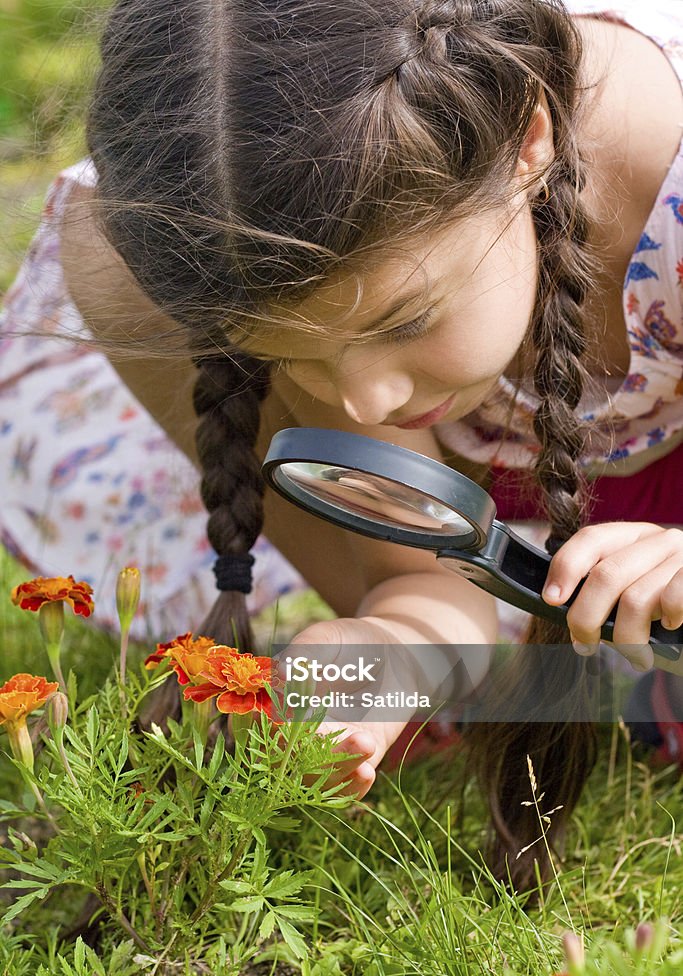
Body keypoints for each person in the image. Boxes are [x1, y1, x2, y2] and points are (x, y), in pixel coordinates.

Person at [2, 0, 683, 889]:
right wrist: (385, 650)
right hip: (524, 497)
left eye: (405, 317)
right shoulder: (321, 238)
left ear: (528, 141)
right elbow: (426, 579)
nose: (359, 398)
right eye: (292, 356)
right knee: (122, 261)